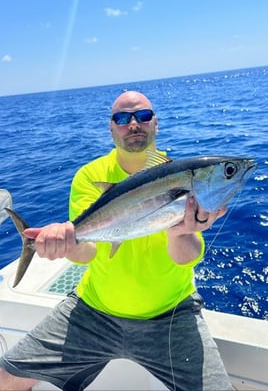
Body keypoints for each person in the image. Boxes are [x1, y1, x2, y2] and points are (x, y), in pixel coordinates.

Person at [0, 91, 234, 391]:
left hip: (172, 317)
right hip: (93, 312)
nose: (133, 123)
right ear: (111, 128)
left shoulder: (180, 176)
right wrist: (68, 242)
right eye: (122, 118)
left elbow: (186, 256)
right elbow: (87, 251)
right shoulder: (89, 176)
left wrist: (179, 231)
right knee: (5, 378)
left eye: (143, 116)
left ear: (156, 124)